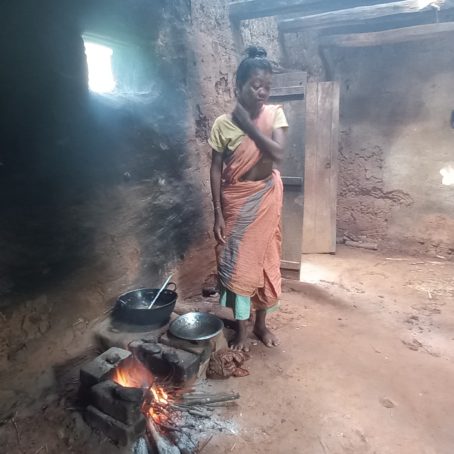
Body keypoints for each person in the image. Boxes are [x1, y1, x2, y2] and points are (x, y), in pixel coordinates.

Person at [208, 46, 288, 351]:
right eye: (255, 85)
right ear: (237, 85)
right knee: (237, 267)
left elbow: (277, 153)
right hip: (236, 204)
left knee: (267, 262)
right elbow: (215, 167)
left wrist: (248, 126)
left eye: (267, 86)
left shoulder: (274, 114)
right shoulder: (221, 124)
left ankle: (261, 325)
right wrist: (217, 212)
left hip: (266, 198)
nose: (262, 92)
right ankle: (241, 331)